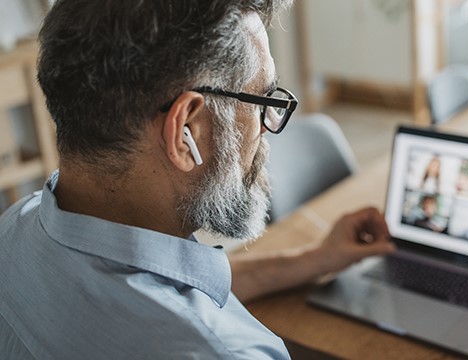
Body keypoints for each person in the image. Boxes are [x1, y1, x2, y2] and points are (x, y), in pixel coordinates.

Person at [0, 1, 395, 359]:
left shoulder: (15, 227)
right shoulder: (226, 353)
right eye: (264, 101)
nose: (268, 128)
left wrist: (315, 259)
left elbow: (162, 287)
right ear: (186, 131)